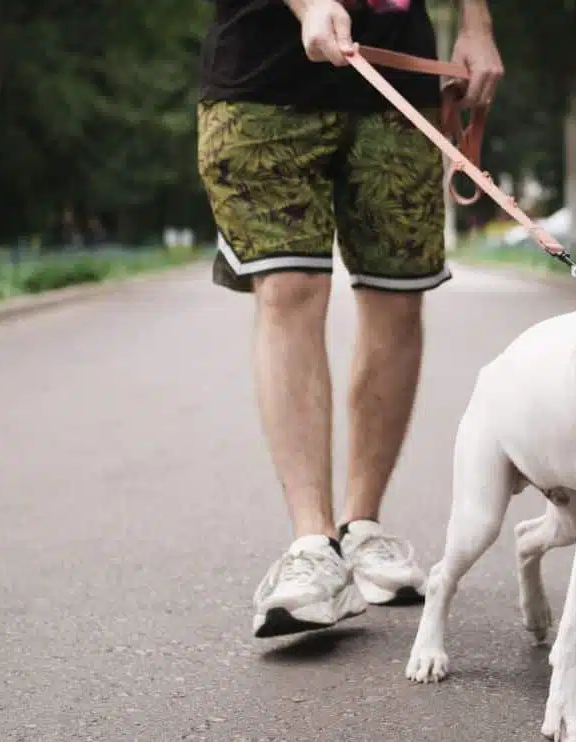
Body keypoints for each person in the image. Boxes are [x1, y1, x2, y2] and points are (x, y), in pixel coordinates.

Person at [195, 0, 503, 638]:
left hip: (398, 83)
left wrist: (476, 26)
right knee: (289, 290)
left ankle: (361, 528)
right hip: (261, 81)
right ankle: (312, 546)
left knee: (397, 295)